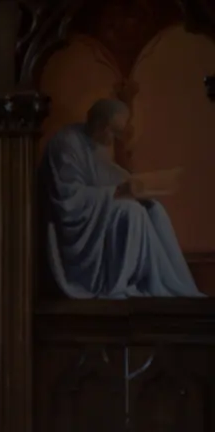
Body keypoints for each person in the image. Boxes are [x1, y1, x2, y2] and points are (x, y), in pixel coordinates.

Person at [39, 98, 205, 298]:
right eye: (114, 131)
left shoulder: (97, 142)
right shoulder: (66, 143)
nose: (116, 139)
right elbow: (69, 199)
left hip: (97, 212)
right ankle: (121, 284)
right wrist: (116, 191)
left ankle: (174, 284)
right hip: (78, 229)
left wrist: (134, 184)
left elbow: (105, 173)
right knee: (131, 212)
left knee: (154, 209)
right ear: (101, 125)